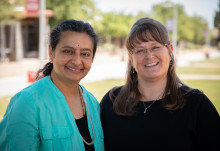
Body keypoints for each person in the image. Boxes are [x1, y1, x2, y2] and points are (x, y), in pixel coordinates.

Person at [100, 17, 220, 151]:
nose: (149, 56)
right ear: (131, 58)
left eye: (155, 47)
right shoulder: (111, 102)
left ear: (170, 51)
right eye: (140, 50)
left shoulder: (197, 105)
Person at [0, 19, 104, 151]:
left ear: (92, 59)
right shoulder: (27, 102)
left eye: (85, 54)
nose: (77, 61)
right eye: (68, 51)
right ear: (51, 52)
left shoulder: (92, 103)